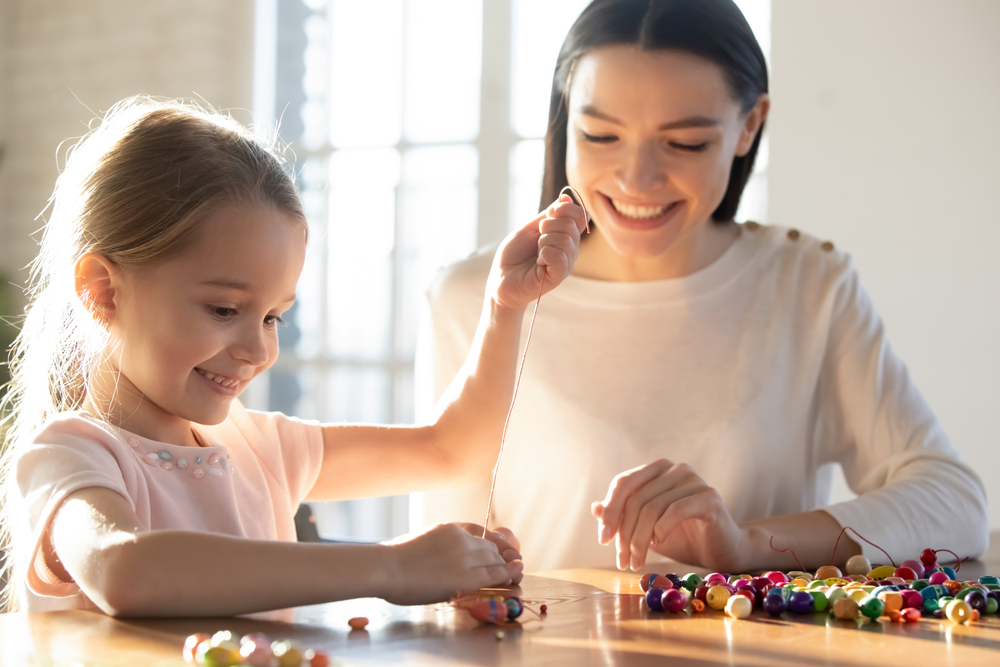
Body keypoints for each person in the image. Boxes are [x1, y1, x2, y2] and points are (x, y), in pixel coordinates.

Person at [416, 0, 988, 574]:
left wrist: (746, 544)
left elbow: (954, 502)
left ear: (749, 126)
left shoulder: (808, 286)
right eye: (599, 135)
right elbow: (444, 569)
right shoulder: (472, 299)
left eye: (685, 143)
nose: (636, 179)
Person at [0, 96, 588, 616]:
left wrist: (503, 307)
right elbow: (124, 570)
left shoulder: (260, 448)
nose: (259, 349)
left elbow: (452, 450)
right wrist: (390, 567)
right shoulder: (69, 456)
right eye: (225, 310)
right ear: (103, 290)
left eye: (273, 317)